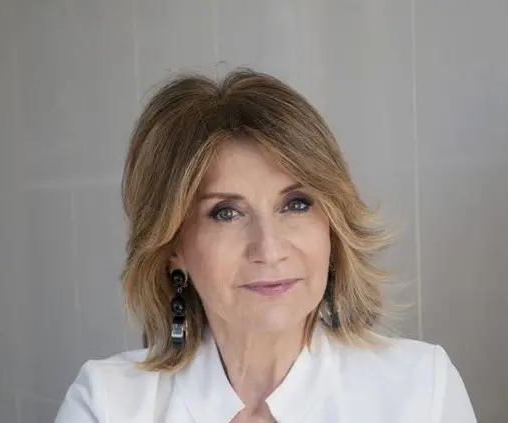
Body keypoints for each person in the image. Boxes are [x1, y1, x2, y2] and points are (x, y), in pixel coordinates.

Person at [54, 69, 477, 423]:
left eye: (296, 204)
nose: (269, 249)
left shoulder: (420, 390)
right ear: (172, 248)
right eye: (226, 213)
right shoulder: (108, 403)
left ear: (332, 225)